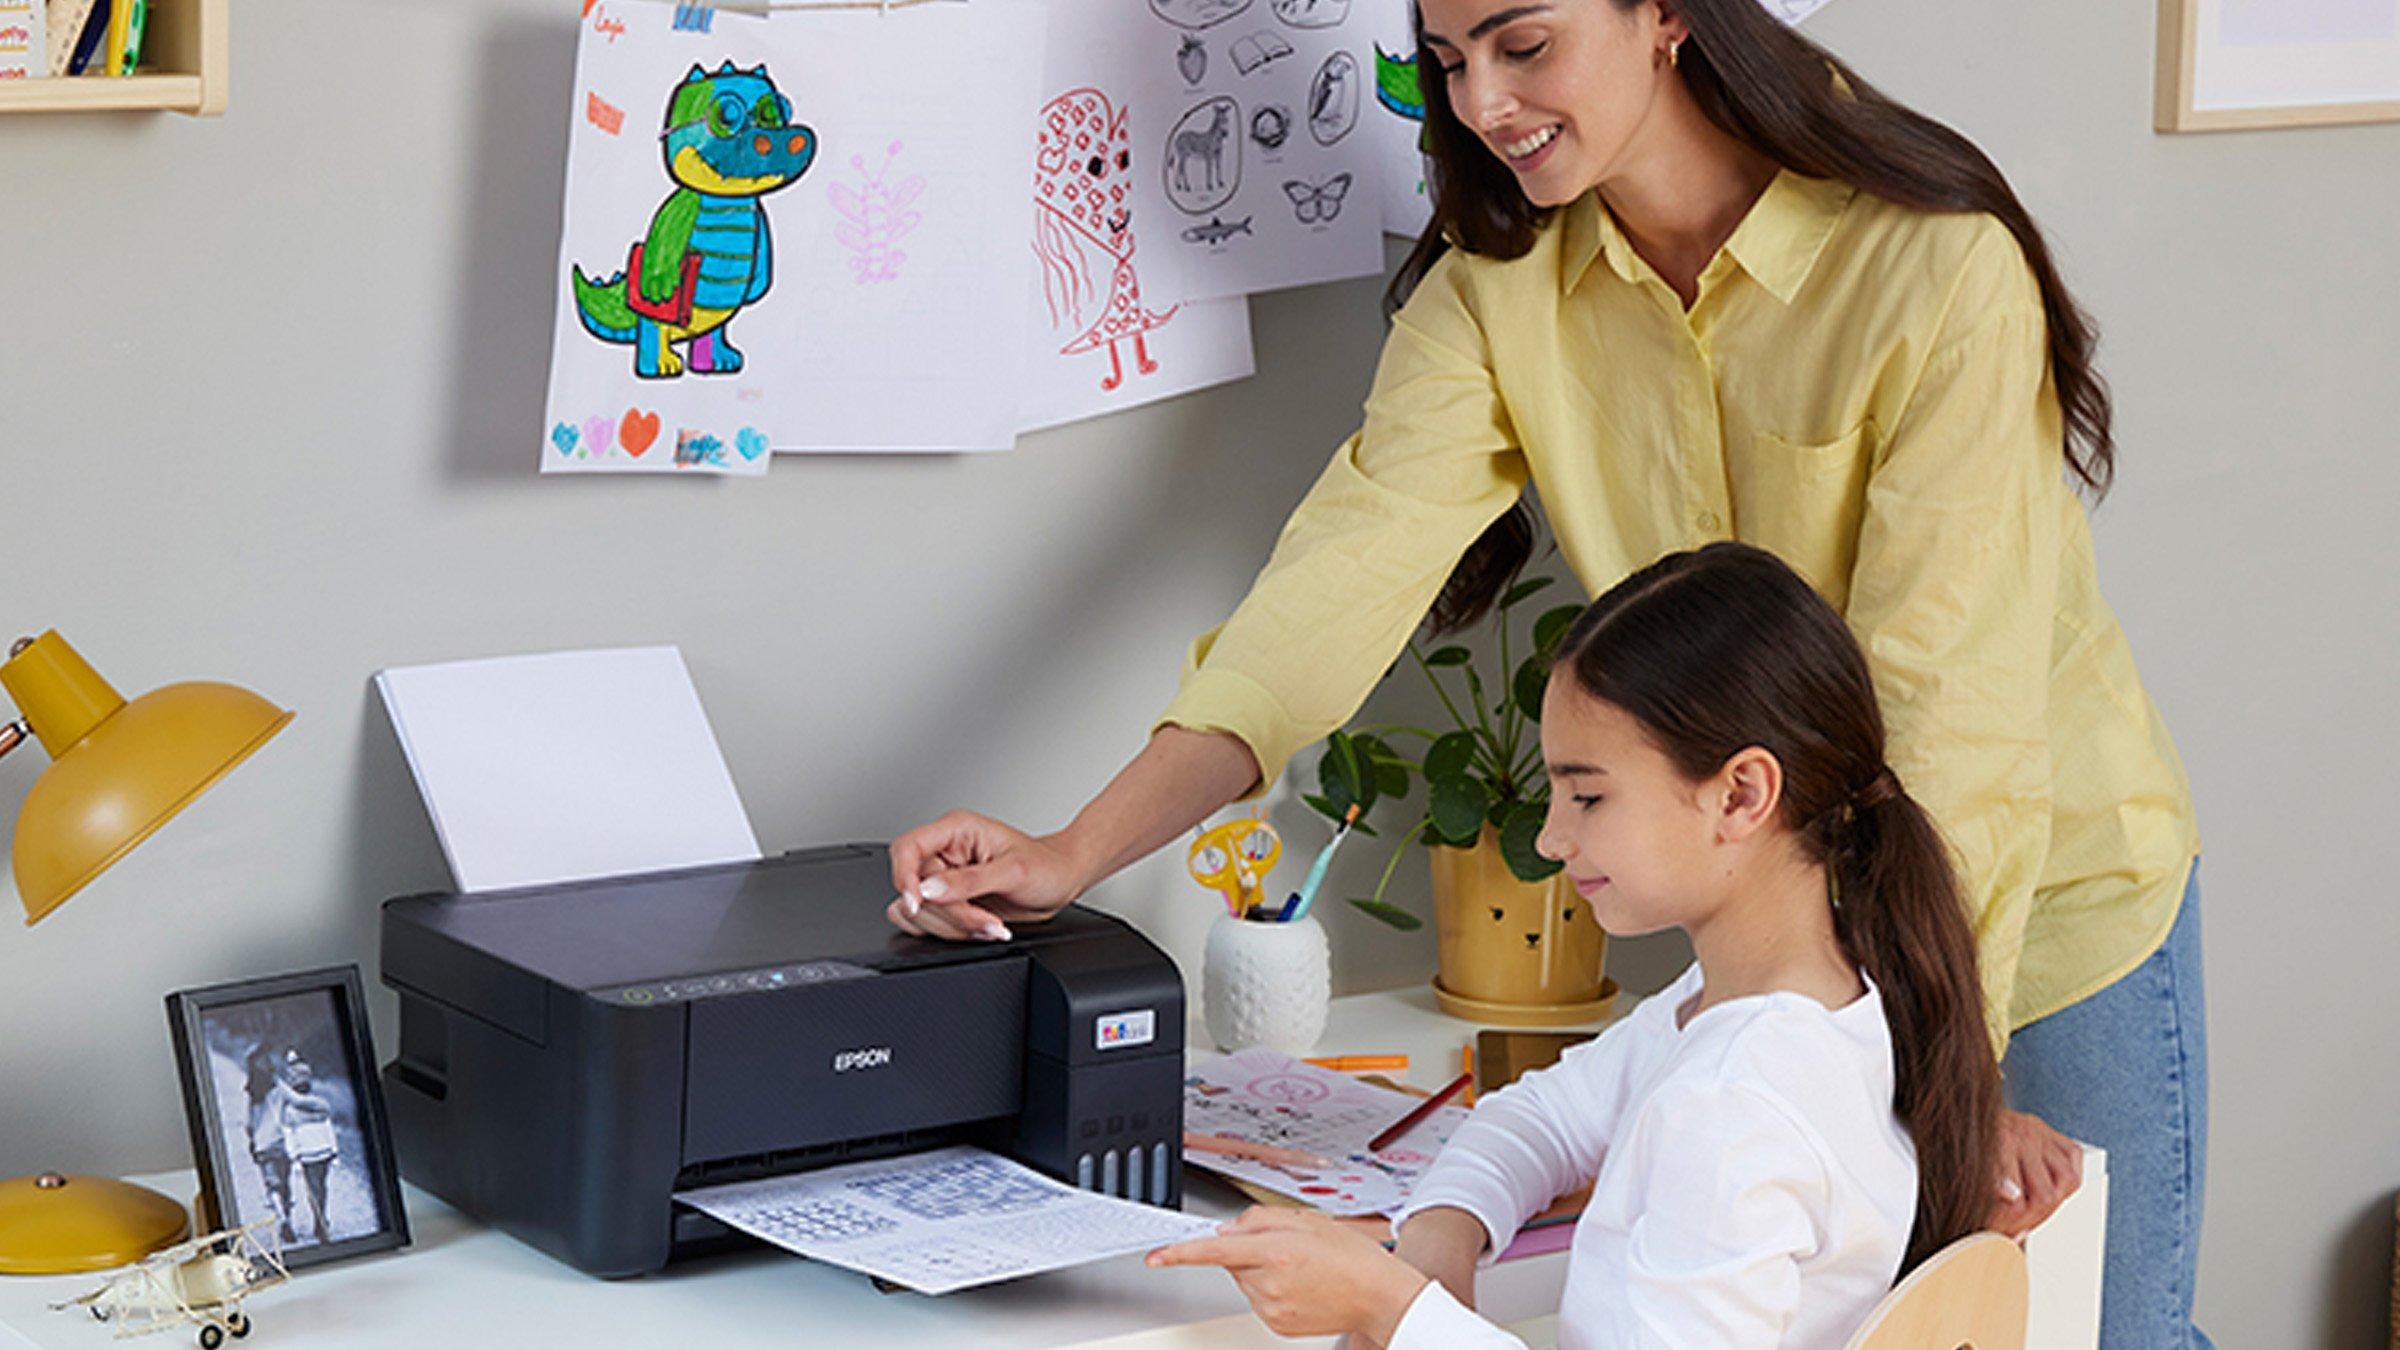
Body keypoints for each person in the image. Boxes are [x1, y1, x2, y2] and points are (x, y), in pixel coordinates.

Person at [889, 1, 2204, 1341]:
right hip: (1787, 940)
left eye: (1523, 46)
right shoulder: (1499, 289)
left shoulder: (1929, 269)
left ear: (1667, 18)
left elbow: (1951, 717)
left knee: (2117, 1331)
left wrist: (1923, 1066)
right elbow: (1323, 602)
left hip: (2035, 910)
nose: (1483, 105)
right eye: (1447, 62)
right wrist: (1071, 853)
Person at [1150, 542, 1998, 1345]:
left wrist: (1392, 1307)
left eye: (1587, 798)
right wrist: (1443, 1237)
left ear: (1741, 795)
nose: (1551, 839)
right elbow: (1539, 1114)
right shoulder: (1798, 1004)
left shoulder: (1732, 1105)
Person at [277, 1052, 340, 1245]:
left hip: (323, 1152)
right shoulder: (290, 1111)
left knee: (321, 1189)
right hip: (308, 1155)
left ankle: (320, 1222)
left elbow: (328, 1128)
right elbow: (289, 1135)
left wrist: (334, 1151)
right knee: (315, 1190)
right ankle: (321, 1226)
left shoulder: (319, 1105)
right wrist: (295, 1157)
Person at [241, 1044, 295, 1244]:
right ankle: (288, 1218)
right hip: (282, 1142)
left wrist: (252, 1141)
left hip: (263, 1144)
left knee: (271, 1185)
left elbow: (247, 1123)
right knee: (285, 1184)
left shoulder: (250, 1093)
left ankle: (281, 1218)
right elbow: (294, 1103)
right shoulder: (278, 1087)